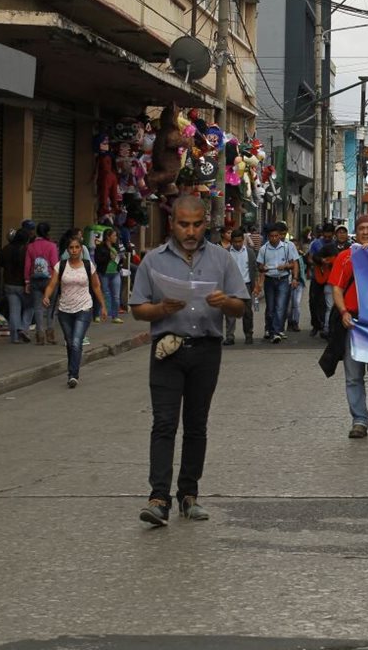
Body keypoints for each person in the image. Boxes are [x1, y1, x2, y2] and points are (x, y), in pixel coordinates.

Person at [130, 195, 249, 527]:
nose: (191, 231)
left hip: (206, 351)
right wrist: (160, 309)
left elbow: (241, 306)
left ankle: (189, 495)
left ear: (205, 223)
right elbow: (139, 308)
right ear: (173, 223)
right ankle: (158, 499)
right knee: (164, 424)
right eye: (184, 224)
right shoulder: (153, 261)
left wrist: (225, 302)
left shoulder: (222, 260)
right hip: (167, 350)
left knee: (196, 426)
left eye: (197, 224)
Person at [329, 214, 368, 438]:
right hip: (353, 324)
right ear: (356, 231)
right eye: (362, 228)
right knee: (353, 376)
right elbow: (336, 288)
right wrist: (343, 312)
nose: (366, 232)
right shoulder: (345, 257)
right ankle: (359, 420)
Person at [43, 235, 109, 388]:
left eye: (77, 247)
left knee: (76, 341)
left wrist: (103, 306)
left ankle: (73, 375)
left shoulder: (88, 266)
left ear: (81, 249)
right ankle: (72, 369)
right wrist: (46, 295)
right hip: (65, 310)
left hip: (83, 308)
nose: (74, 250)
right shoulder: (61, 265)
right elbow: (52, 284)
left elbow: (96, 286)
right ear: (67, 250)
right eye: (71, 248)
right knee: (70, 343)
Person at [255, 223, 300, 343]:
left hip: (283, 280)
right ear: (268, 237)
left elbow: (294, 263)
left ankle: (276, 332)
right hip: (269, 280)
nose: (274, 238)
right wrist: (262, 269)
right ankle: (269, 328)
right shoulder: (264, 249)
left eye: (276, 236)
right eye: (271, 236)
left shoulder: (287, 247)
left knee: (280, 307)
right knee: (270, 307)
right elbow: (259, 266)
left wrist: (287, 269)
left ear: (280, 236)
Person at [0, 219, 34, 344]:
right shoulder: (27, 250)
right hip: (23, 284)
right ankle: (23, 328)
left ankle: (14, 337)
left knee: (14, 311)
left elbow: (0, 263)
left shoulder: (6, 249)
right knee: (30, 307)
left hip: (9, 284)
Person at [24, 223, 59, 345]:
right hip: (50, 280)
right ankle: (50, 334)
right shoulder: (52, 246)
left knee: (38, 308)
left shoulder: (30, 246)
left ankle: (40, 335)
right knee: (51, 308)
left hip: (35, 281)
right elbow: (55, 264)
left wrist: (27, 281)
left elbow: (27, 265)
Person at [222, 228, 256, 345]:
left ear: (243, 240)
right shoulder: (225, 253)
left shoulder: (250, 253)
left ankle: (248, 334)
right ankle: (230, 336)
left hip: (245, 285)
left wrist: (255, 286)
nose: (237, 244)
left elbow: (253, 269)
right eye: (235, 242)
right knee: (230, 312)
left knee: (247, 312)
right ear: (231, 241)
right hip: (230, 286)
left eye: (240, 241)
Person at [307, 223, 334, 337]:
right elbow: (309, 258)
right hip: (317, 276)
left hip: (331, 278)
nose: (327, 239)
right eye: (325, 236)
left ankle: (327, 325)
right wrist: (319, 264)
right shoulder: (315, 244)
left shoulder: (335, 245)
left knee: (328, 303)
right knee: (314, 301)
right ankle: (316, 325)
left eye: (330, 237)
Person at [94, 228, 124, 324]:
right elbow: (97, 260)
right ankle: (97, 314)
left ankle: (115, 316)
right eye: (114, 236)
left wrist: (120, 259)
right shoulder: (100, 247)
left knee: (116, 296)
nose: (116, 238)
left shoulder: (116, 246)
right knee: (101, 293)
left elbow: (120, 259)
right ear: (108, 237)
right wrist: (108, 257)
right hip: (104, 274)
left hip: (115, 273)